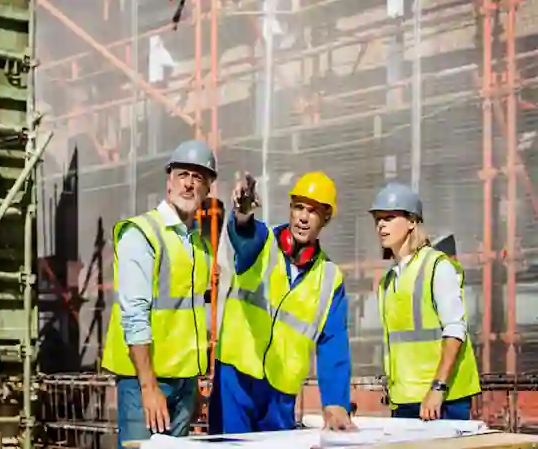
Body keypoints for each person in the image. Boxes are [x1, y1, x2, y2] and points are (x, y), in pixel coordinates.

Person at [209, 171, 355, 434]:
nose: (302, 217)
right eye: (298, 207)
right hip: (235, 382)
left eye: (312, 211)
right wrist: (242, 214)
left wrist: (335, 403)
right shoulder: (262, 242)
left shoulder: (330, 278)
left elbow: (334, 343)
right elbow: (244, 235)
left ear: (326, 218)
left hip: (280, 396)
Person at [101, 140, 216, 448]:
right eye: (183, 175)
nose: (190, 184)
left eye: (199, 177)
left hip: (184, 383)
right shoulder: (142, 233)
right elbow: (134, 313)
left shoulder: (199, 246)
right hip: (148, 382)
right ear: (169, 181)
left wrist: (193, 383)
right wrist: (148, 386)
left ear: (208, 189)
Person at [369, 182, 480, 420]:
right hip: (405, 399)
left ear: (412, 221)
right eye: (378, 219)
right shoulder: (388, 281)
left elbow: (455, 330)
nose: (381, 225)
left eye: (389, 217)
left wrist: (437, 388)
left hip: (443, 400)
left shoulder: (437, 267)